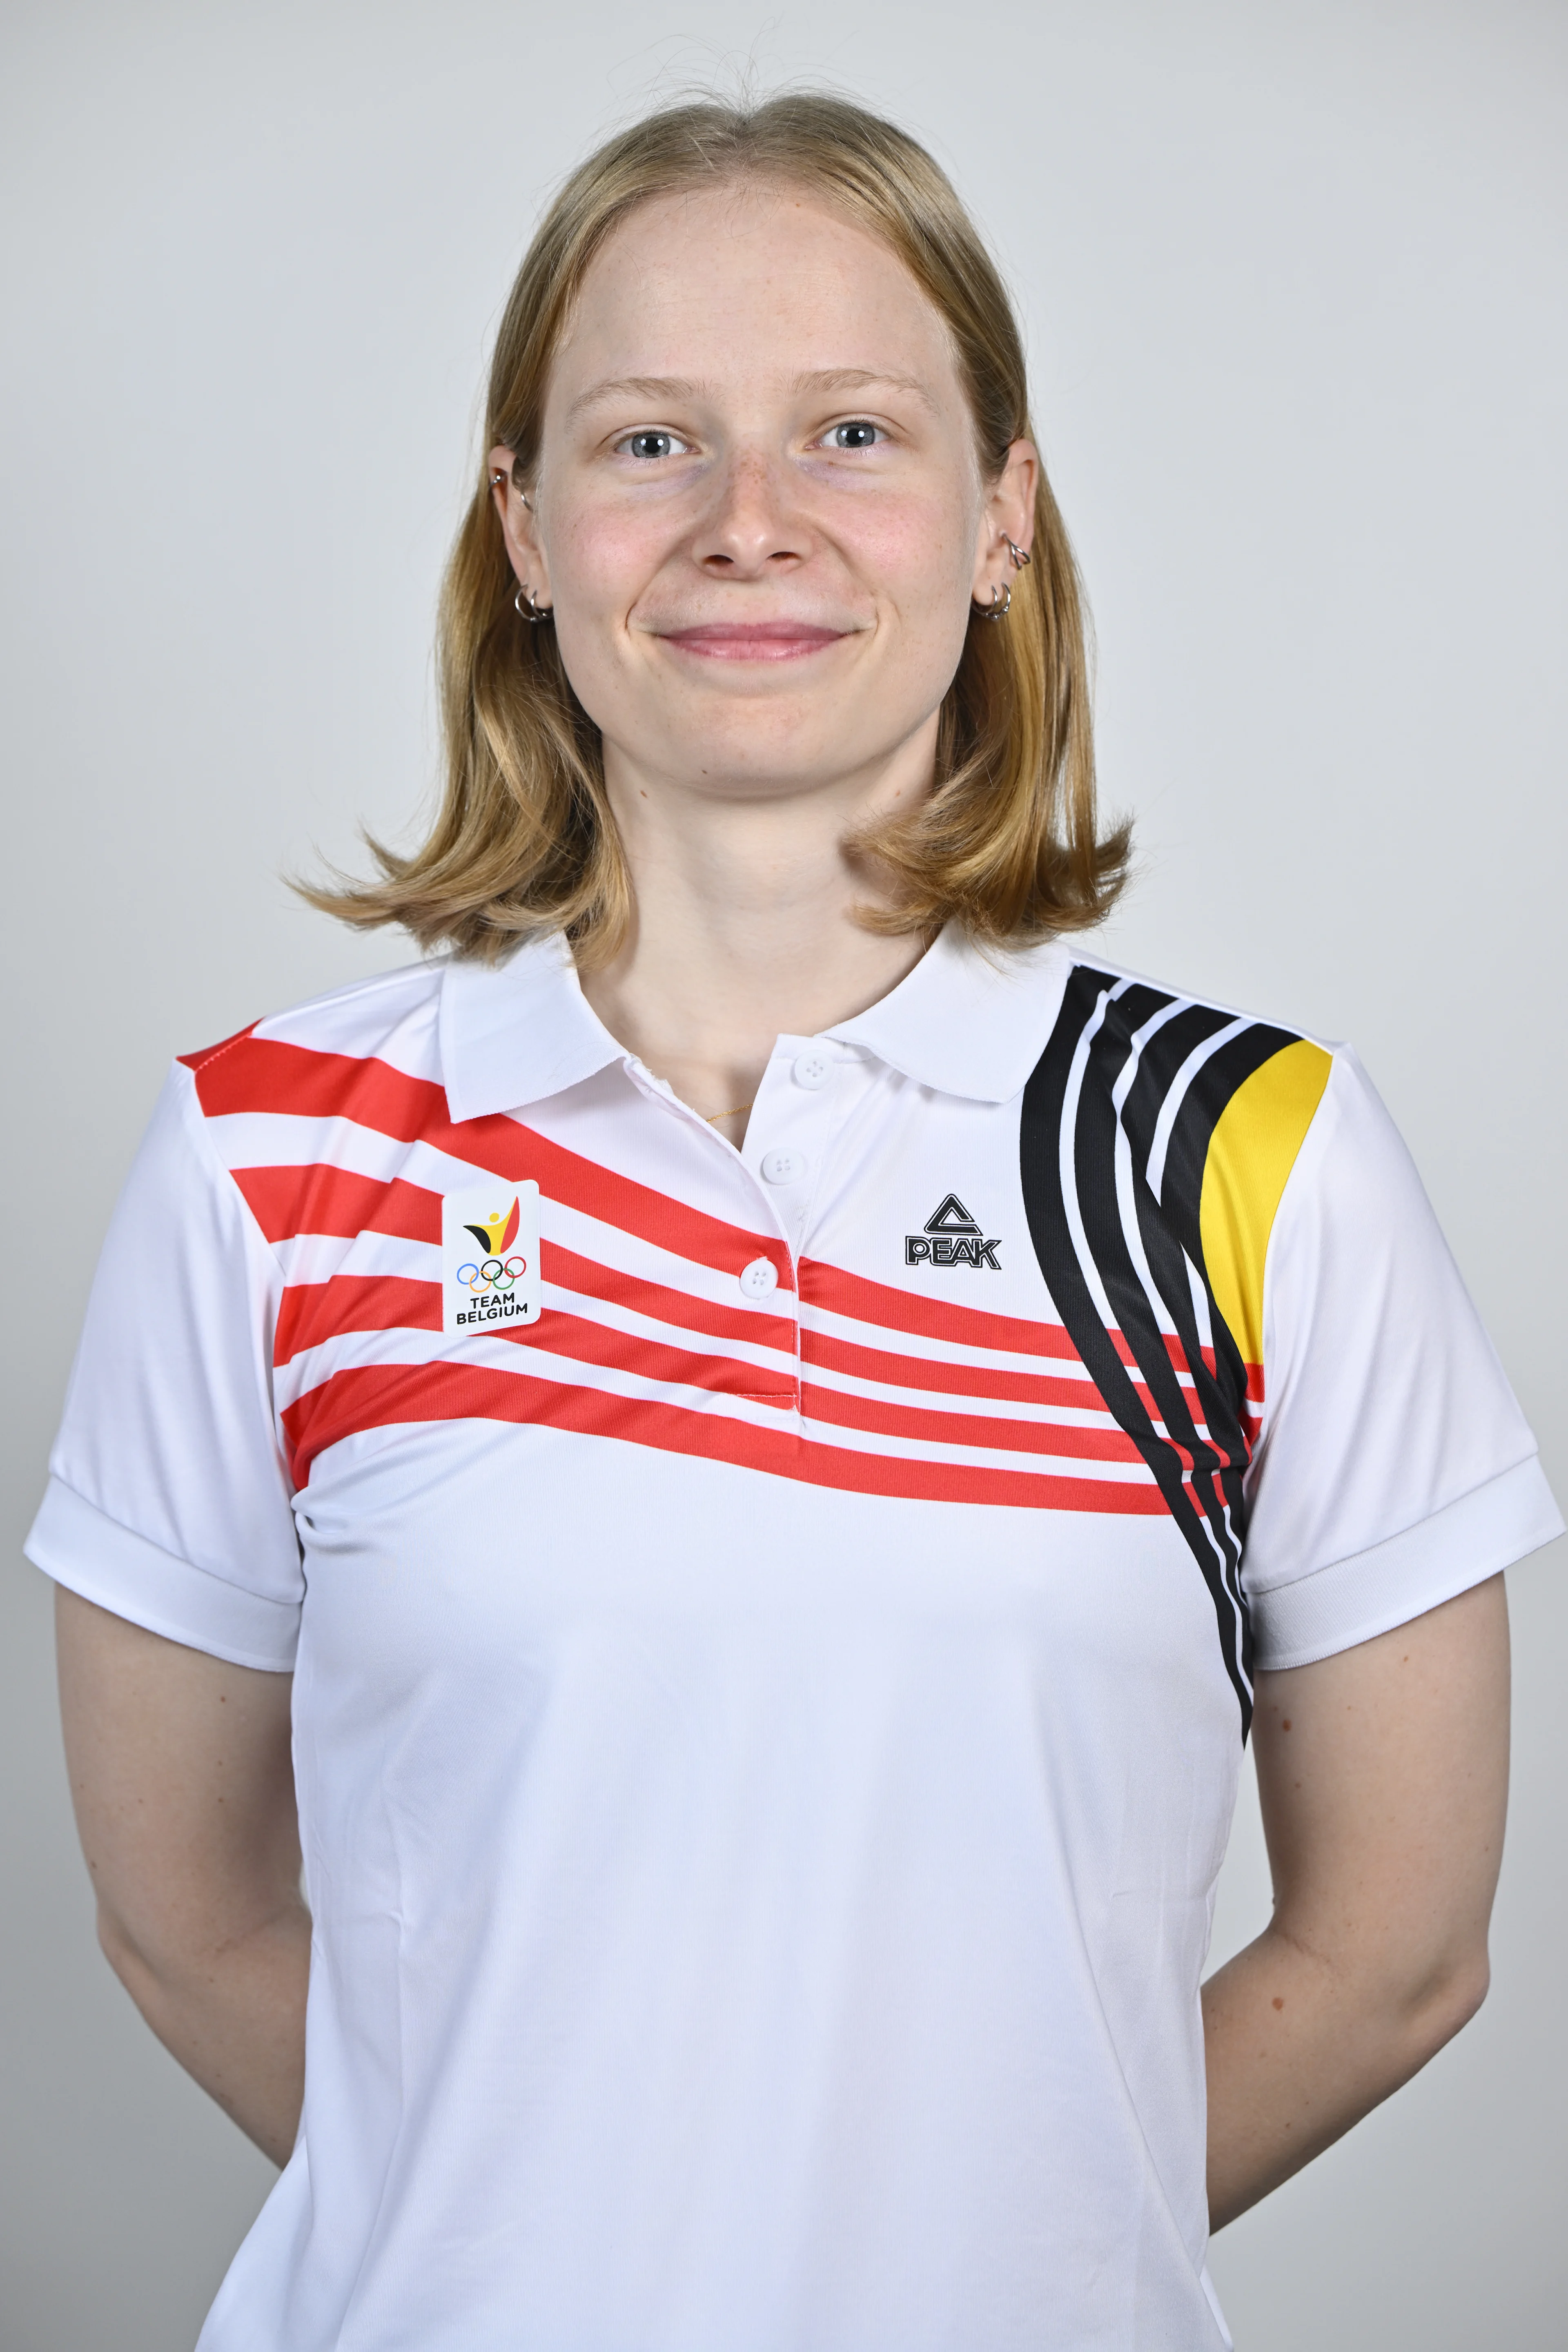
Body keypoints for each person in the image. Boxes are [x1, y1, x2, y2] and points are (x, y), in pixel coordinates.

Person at [31, 91, 1561, 2352]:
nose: (751, 525)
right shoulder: (268, 1158)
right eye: (649, 443)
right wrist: (534, 2242)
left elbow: (1401, 1949)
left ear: (1000, 519)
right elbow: (183, 1923)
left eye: (853, 430)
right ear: (525, 528)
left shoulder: (1247, 1158)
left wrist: (966, 2256)